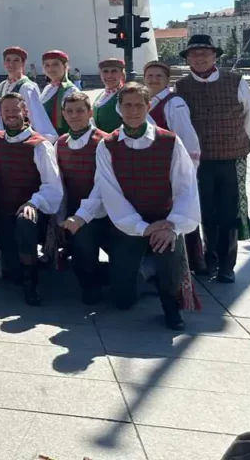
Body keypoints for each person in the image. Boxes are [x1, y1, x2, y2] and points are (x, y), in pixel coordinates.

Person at [95, 83, 201, 330]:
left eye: (138, 105)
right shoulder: (107, 145)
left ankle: (170, 304)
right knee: (122, 300)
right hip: (129, 224)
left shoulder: (170, 141)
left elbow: (185, 187)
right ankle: (143, 273)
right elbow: (111, 193)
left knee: (169, 259)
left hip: (164, 221)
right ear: (119, 109)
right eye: (127, 105)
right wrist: (142, 228)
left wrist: (172, 226)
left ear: (148, 106)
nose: (133, 111)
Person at [175, 34, 250, 284]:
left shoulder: (236, 81)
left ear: (215, 56)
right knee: (205, 211)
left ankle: (227, 265)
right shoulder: (181, 86)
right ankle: (209, 258)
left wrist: (235, 141)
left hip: (231, 157)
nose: (199, 57)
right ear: (188, 58)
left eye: (205, 53)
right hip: (198, 161)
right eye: (194, 53)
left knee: (229, 212)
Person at [0, 93, 63, 306]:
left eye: (15, 109)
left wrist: (33, 203)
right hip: (4, 210)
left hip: (32, 212)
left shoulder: (40, 145)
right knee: (12, 273)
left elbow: (53, 186)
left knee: (25, 223)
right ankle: (17, 270)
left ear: (25, 112)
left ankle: (31, 283)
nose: (10, 114)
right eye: (6, 110)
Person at [144, 60, 206, 274]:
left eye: (158, 76)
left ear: (167, 80)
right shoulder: (147, 102)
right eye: (149, 76)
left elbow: (188, 140)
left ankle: (191, 262)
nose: (153, 80)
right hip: (153, 170)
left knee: (180, 213)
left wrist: (187, 172)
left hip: (173, 168)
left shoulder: (174, 104)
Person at [58, 92, 112, 304]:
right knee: (82, 251)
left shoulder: (105, 141)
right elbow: (60, 184)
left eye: (80, 110)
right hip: (75, 213)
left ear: (90, 112)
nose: (74, 116)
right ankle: (89, 283)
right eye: (69, 111)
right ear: (63, 114)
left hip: (107, 214)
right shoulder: (61, 143)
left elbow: (103, 185)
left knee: (125, 286)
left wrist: (83, 215)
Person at [36, 50, 78, 138]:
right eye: (47, 65)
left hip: (62, 139)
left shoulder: (70, 90)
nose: (50, 69)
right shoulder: (48, 88)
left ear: (65, 66)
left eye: (55, 64)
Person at [93, 58, 125, 133]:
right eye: (105, 71)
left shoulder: (124, 95)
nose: (109, 75)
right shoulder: (101, 95)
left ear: (121, 75)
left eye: (114, 71)